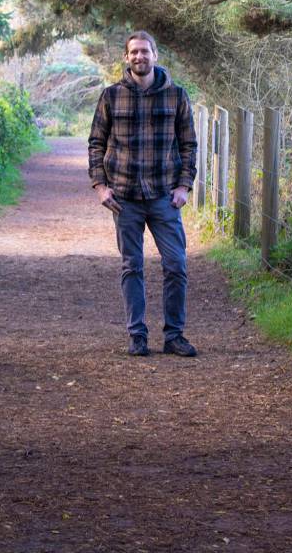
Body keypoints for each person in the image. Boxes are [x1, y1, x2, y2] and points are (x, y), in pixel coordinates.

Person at [88, 30, 198, 357]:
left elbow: (189, 145)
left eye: (145, 51)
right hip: (124, 197)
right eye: (134, 52)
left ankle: (174, 335)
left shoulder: (176, 95)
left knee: (176, 265)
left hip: (164, 195)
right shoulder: (111, 96)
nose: (139, 57)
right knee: (131, 266)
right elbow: (96, 143)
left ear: (155, 55)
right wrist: (100, 186)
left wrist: (184, 186)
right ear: (126, 57)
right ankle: (137, 335)